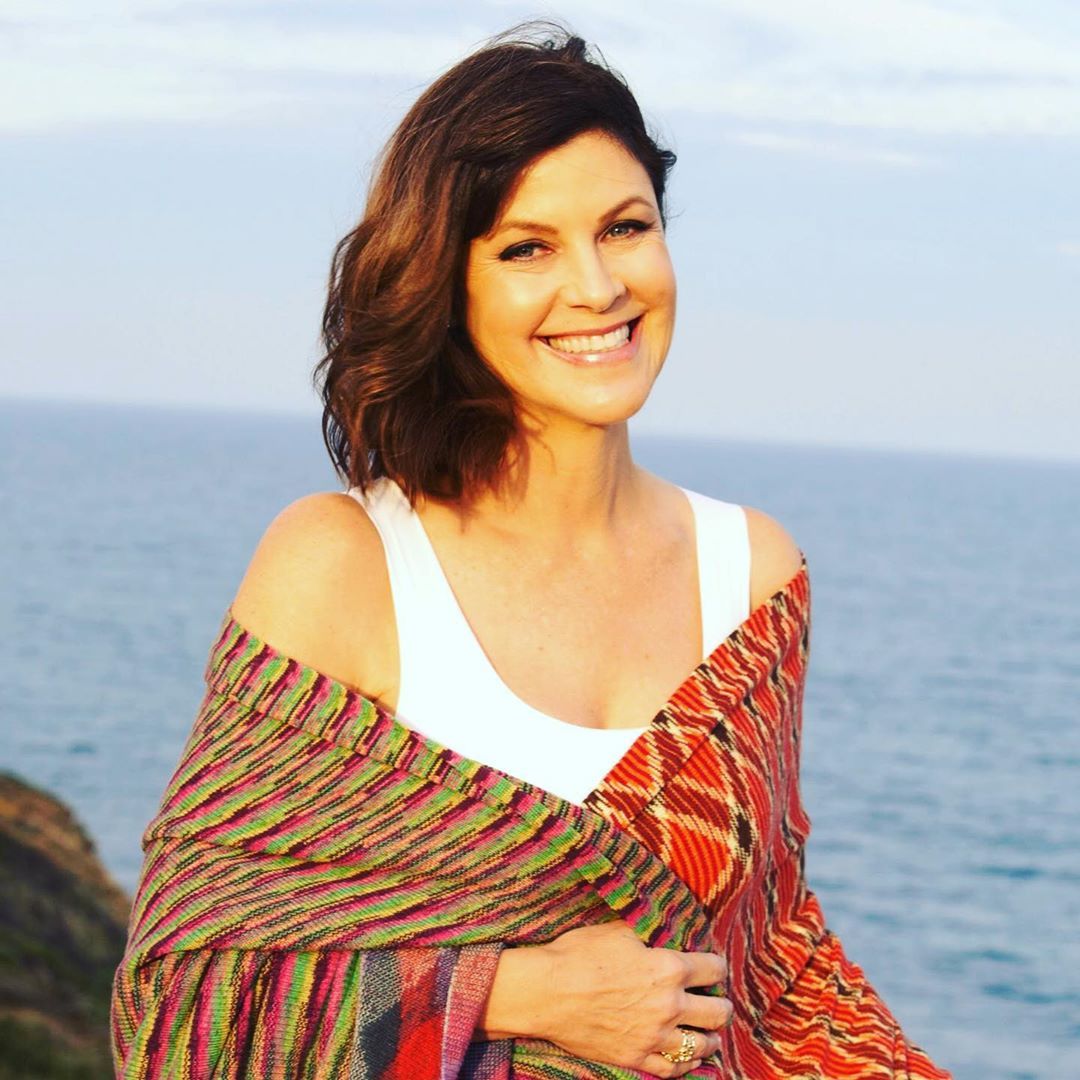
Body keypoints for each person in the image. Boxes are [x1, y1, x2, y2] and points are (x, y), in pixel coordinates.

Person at [111, 23, 950, 1080]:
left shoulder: (753, 570)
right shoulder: (345, 563)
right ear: (446, 282)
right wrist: (515, 994)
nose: (597, 287)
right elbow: (185, 1002)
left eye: (625, 227)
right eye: (527, 248)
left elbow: (772, 963)